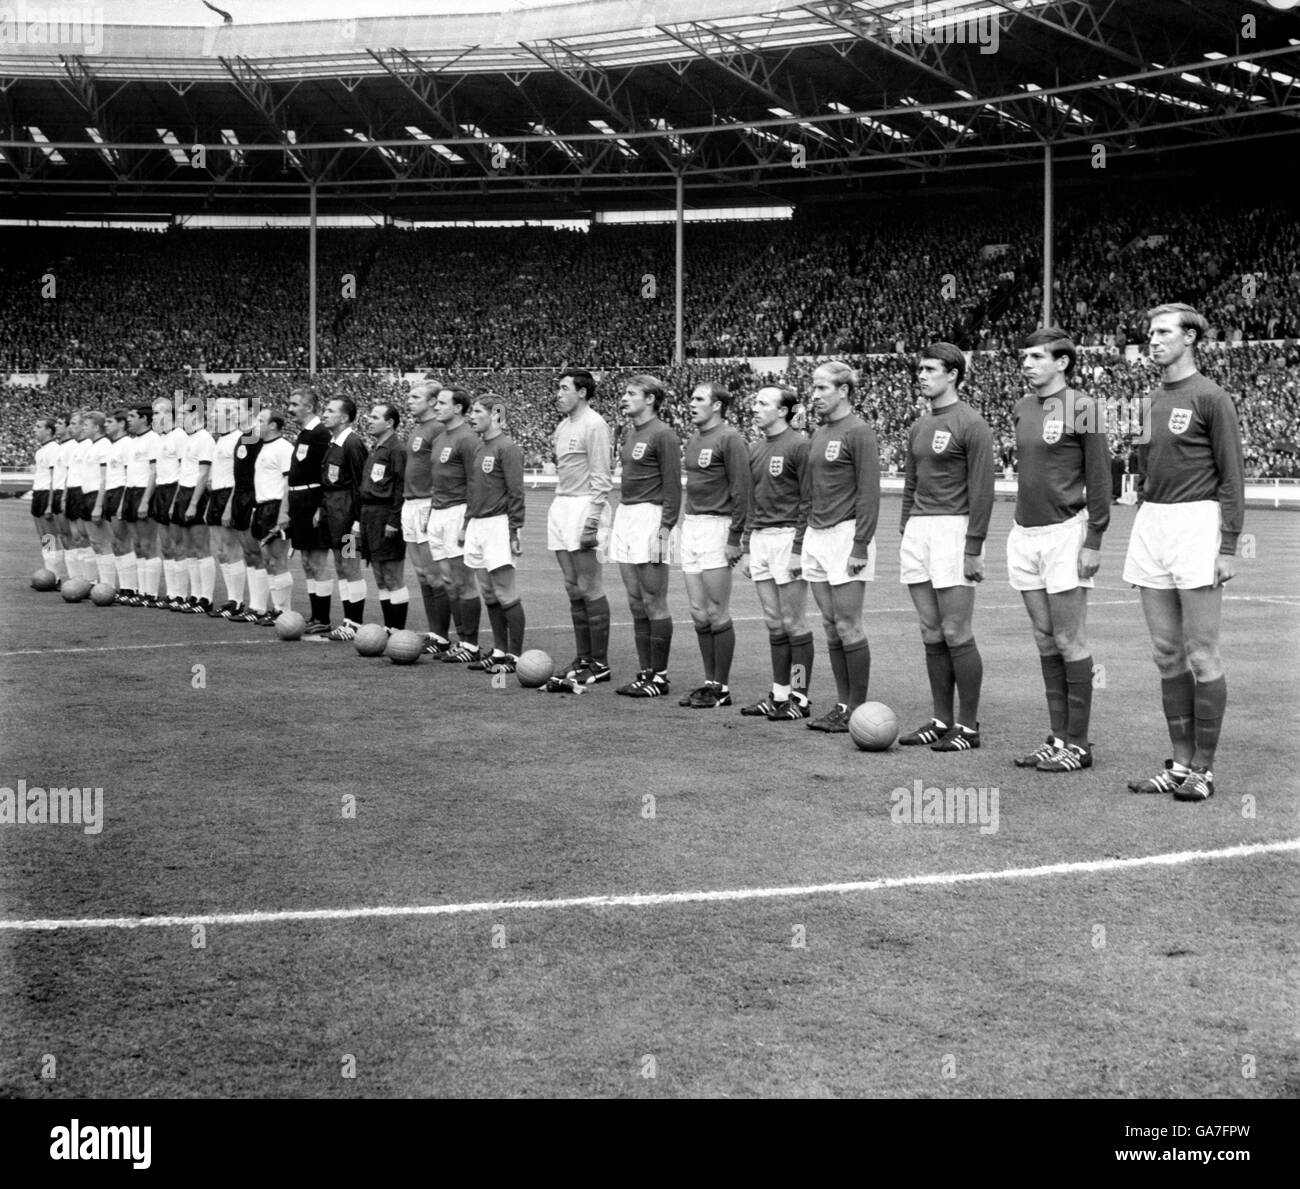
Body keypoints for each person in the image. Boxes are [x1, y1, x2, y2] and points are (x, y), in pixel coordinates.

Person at [1123, 303, 1245, 802]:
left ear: (1190, 338)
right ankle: (1178, 764)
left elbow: (1232, 474)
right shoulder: (1152, 398)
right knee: (1166, 652)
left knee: (1201, 652)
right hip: (1153, 521)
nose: (1152, 339)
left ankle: (1205, 769)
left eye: (1163, 332)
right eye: (1149, 331)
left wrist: (1230, 544)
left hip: (1197, 523)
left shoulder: (1212, 398)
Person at [1007, 328, 1111, 771]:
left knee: (1069, 639)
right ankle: (1057, 738)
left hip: (1066, 532)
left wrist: (1095, 539)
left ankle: (1079, 745)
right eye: (1024, 356)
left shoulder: (1085, 407)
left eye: (1036, 356)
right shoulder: (1022, 407)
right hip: (1023, 533)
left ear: (1062, 363)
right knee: (1044, 638)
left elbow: (1101, 478)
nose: (1026, 363)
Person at [896, 344, 995, 752]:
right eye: (920, 368)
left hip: (953, 530)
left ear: (952, 374)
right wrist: (906, 528)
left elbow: (983, 490)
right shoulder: (919, 425)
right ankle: (941, 719)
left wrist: (973, 547)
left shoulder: (971, 423)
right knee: (931, 630)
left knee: (956, 631)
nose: (921, 375)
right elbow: (910, 484)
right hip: (918, 530)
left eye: (930, 369)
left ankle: (967, 728)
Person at [802, 361, 880, 734]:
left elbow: (868, 492)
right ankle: (841, 703)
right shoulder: (819, 433)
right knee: (831, 626)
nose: (815, 395)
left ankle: (857, 707)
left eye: (822, 388)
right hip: (817, 535)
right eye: (813, 388)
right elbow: (809, 491)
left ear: (844, 390)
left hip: (847, 536)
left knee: (849, 625)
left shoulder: (859, 432)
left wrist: (861, 544)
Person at [737, 385, 813, 719]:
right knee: (773, 622)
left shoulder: (799, 445)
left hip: (788, 538)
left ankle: (800, 696)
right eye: (755, 402)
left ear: (783, 411)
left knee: (794, 623)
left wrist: (798, 549)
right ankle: (779, 694)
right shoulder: (754, 449)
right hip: (761, 540)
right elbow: (752, 501)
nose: (754, 407)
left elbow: (809, 501)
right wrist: (747, 547)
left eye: (762, 403)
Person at [676, 382, 751, 709]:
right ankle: (709, 682)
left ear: (717, 405)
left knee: (717, 612)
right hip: (691, 526)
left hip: (717, 528)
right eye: (691, 398)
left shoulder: (730, 439)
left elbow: (742, 490)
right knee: (698, 612)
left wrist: (736, 538)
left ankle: (721, 687)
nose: (691, 403)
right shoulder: (693, 439)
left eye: (699, 399)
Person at [610, 375, 680, 698]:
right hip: (625, 515)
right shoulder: (629, 433)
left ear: (650, 399)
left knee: (654, 600)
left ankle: (660, 677)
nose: (624, 398)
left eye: (631, 393)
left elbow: (672, 488)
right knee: (636, 602)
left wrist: (664, 529)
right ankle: (645, 672)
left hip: (650, 517)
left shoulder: (663, 434)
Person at [547, 369, 614, 686]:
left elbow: (602, 477)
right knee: (572, 586)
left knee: (590, 586)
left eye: (564, 388)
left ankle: (600, 663)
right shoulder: (562, 426)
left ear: (583, 392)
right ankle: (583, 657)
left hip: (585, 505)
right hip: (562, 504)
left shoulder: (595, 425)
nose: (558, 394)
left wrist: (592, 520)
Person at [461, 397, 526, 672]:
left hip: (498, 525)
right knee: (488, 592)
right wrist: (466, 524)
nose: (471, 416)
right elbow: (473, 488)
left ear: (495, 416)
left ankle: (515, 656)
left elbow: (516, 493)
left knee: (505, 591)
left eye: (477, 412)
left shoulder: (508, 448)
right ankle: (499, 651)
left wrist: (514, 531)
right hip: (477, 523)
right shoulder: (479, 448)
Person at [428, 386, 484, 663]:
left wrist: (467, 521)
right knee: (448, 583)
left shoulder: (468, 439)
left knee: (464, 583)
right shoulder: (440, 438)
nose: (436, 407)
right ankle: (460, 640)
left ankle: (471, 646)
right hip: (437, 513)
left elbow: (476, 483)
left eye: (441, 403)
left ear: (459, 408)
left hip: (457, 512)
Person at [401, 381, 454, 652]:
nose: (409, 400)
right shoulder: (417, 430)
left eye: (415, 396)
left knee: (435, 576)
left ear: (433, 401)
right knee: (422, 575)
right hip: (409, 505)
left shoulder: (436, 429)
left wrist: (434, 503)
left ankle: (442, 636)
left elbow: (441, 469)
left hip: (426, 504)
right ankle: (434, 633)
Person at [316, 396, 370, 641]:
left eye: (330, 410)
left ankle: (355, 623)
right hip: (333, 514)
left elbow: (360, 485)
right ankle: (348, 621)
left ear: (345, 417)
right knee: (340, 565)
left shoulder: (353, 443)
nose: (324, 414)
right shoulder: (333, 442)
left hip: (348, 517)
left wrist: (358, 522)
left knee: (350, 566)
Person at [286, 388, 334, 636]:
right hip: (299, 501)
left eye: (295, 404)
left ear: (309, 407)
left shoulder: (320, 434)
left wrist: (319, 507)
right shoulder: (305, 434)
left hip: (312, 500)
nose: (290, 408)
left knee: (317, 562)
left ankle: (323, 618)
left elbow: (325, 474)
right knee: (306, 562)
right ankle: (316, 615)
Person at [357, 402, 408, 630]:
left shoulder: (397, 449)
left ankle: (396, 629)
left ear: (389, 423)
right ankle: (389, 627)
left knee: (392, 575)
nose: (369, 419)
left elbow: (401, 486)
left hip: (386, 515)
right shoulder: (376, 448)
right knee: (379, 575)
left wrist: (394, 520)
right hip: (369, 516)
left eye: (375, 416)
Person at [251, 408, 295, 626]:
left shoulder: (284, 448)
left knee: (278, 560)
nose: (255, 424)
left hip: (276, 507)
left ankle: (283, 611)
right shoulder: (264, 447)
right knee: (267, 560)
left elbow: (288, 483)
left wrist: (283, 513)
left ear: (273, 426)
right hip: (262, 508)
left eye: (260, 420)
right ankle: (276, 608)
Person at [172, 398, 215, 613]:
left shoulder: (205, 439)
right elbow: (184, 472)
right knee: (189, 548)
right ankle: (195, 595)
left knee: (201, 548)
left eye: (183, 414)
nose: (179, 418)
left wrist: (193, 503)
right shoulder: (187, 439)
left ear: (195, 416)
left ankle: (206, 598)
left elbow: (204, 473)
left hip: (196, 494)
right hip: (184, 491)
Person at [229, 402, 270, 623]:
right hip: (240, 497)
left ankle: (260, 607)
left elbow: (259, 471)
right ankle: (254, 606)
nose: (234, 414)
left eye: (238, 410)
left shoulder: (257, 437)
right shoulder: (243, 436)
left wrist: (255, 502)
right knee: (248, 553)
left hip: (252, 497)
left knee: (255, 552)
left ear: (251, 413)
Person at [206, 397, 246, 618]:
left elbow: (239, 478)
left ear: (230, 414)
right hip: (216, 495)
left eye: (216, 412)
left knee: (232, 551)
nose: (211, 416)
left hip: (229, 495)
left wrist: (229, 506)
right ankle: (231, 599)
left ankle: (237, 601)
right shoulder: (220, 440)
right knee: (221, 552)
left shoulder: (238, 439)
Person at [150, 396, 188, 609]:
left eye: (157, 412)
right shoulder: (159, 439)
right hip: (161, 490)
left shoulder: (179, 436)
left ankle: (181, 594)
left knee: (178, 545)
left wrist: (177, 499)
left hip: (175, 488)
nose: (154, 417)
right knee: (165, 546)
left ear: (168, 414)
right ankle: (172, 593)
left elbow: (185, 468)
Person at [119, 405, 159, 607]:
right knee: (137, 545)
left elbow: (154, 472)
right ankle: (139, 591)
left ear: (144, 419)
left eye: (133, 417)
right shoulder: (133, 442)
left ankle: (150, 593)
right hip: (130, 492)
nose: (129, 421)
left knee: (147, 545)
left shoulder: (153, 440)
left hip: (144, 492)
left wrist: (145, 500)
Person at [31, 418, 61, 579]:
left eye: (38, 426)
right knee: (44, 537)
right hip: (38, 494)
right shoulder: (41, 451)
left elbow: (53, 478)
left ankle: (55, 576)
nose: (35, 429)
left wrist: (50, 504)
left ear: (49, 430)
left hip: (46, 495)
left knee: (50, 536)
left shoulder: (53, 450)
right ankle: (49, 572)